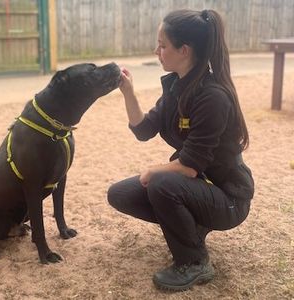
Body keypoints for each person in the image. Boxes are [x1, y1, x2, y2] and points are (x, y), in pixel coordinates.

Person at [107, 9, 254, 291]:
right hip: (201, 186)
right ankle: (192, 227)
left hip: (230, 198)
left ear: (183, 50)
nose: (157, 50)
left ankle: (195, 262)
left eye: (163, 46)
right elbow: (143, 129)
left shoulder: (212, 96)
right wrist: (128, 92)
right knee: (121, 194)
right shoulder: (177, 86)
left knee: (162, 183)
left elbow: (188, 167)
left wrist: (154, 170)